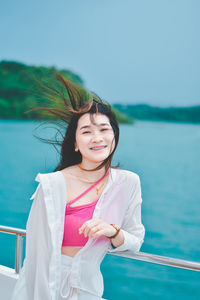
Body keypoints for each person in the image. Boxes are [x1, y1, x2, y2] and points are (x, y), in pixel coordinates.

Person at [11, 74, 145, 300]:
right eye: (86, 131)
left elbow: (135, 241)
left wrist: (113, 231)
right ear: (75, 143)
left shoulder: (128, 182)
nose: (97, 138)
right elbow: (35, 257)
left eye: (104, 129)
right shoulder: (52, 185)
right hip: (47, 288)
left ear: (114, 135)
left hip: (88, 291)